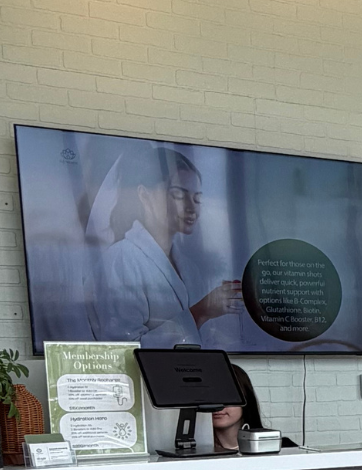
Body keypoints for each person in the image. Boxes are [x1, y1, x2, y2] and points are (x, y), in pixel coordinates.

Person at [94, 144, 241, 346]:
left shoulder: (190, 270)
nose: (191, 208)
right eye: (179, 195)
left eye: (197, 198)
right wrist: (201, 311)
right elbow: (122, 351)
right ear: (144, 195)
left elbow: (204, 342)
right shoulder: (120, 261)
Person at [212, 363, 297, 452]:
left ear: (246, 398)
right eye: (209, 397)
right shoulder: (198, 452)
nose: (218, 406)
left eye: (228, 396)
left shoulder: (284, 447)